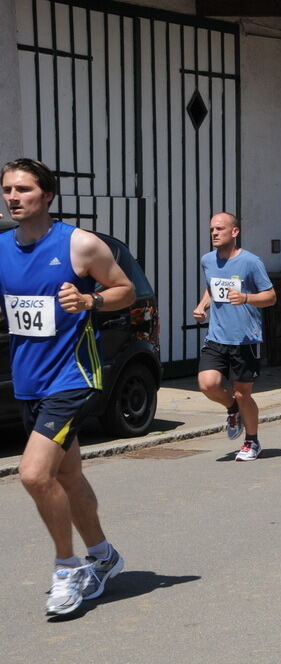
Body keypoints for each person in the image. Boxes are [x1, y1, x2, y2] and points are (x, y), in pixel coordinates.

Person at [0, 158, 135, 615]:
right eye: (7, 190)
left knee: (35, 474)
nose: (13, 197)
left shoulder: (79, 244)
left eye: (23, 189)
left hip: (73, 376)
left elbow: (126, 290)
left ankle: (67, 568)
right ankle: (103, 555)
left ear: (48, 195)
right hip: (30, 380)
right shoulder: (1, 247)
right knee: (68, 475)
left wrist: (89, 299)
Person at [193, 213, 277, 462]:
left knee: (243, 394)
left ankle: (252, 441)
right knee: (207, 384)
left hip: (245, 340)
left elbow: (271, 297)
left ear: (235, 232)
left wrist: (246, 298)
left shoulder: (251, 262)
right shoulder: (207, 260)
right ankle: (232, 410)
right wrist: (202, 305)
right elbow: (211, 286)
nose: (214, 233)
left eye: (220, 228)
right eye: (212, 229)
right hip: (217, 337)